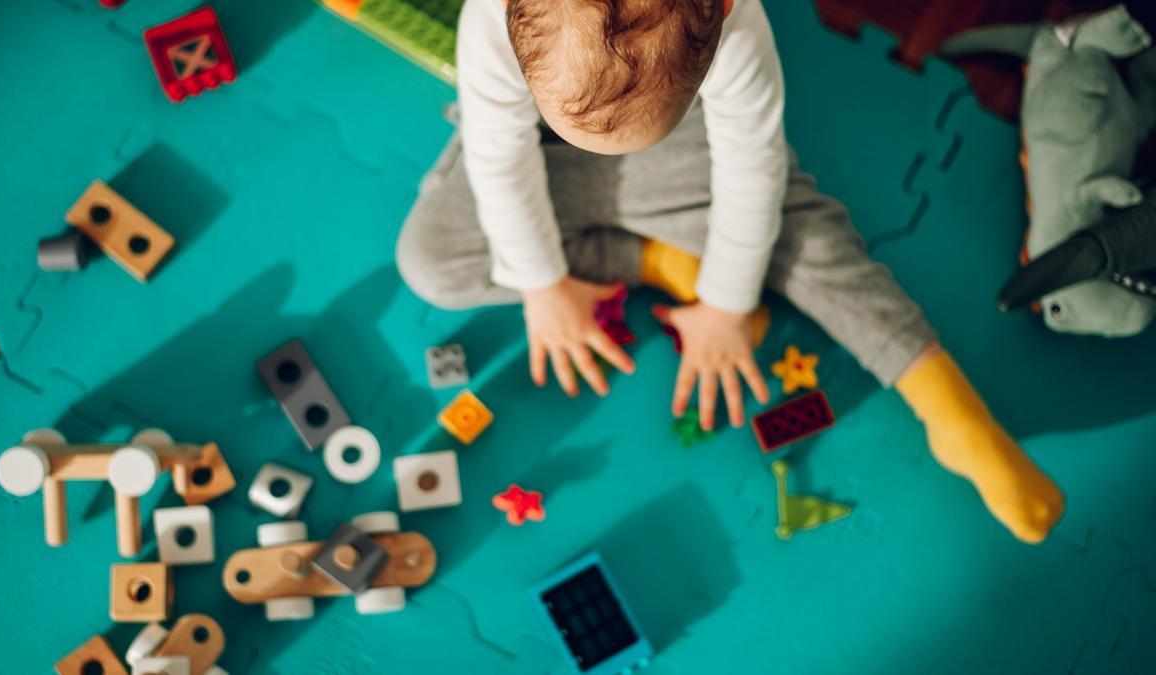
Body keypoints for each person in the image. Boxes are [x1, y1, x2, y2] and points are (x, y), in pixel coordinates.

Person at [397, 0, 1063, 542]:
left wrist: (727, 300)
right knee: (430, 260)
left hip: (681, 152)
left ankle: (944, 398)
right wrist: (542, 286)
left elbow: (751, 166)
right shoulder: (496, 20)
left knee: (791, 222)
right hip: (541, 146)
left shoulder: (732, 29)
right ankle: (650, 256)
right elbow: (498, 158)